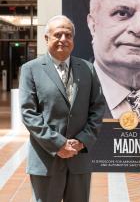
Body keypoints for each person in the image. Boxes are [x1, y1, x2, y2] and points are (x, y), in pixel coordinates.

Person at [19, 15, 105, 202]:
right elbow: (28, 113)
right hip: (46, 159)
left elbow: (97, 109)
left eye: (68, 35)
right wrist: (58, 144)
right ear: (46, 38)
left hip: (78, 159)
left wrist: (81, 141)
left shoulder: (88, 69)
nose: (63, 40)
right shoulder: (30, 69)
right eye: (58, 34)